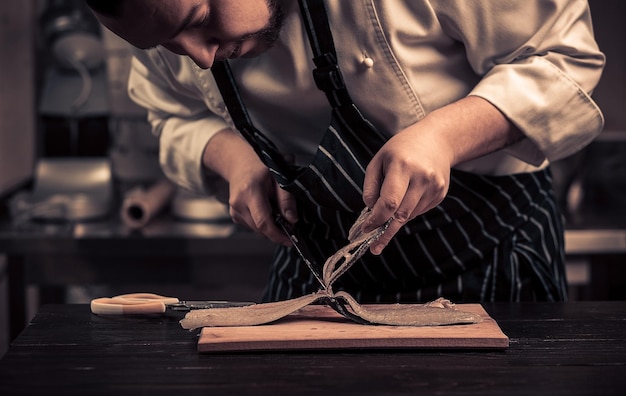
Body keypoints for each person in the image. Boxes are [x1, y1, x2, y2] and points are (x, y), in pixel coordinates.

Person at [84, 0, 605, 303]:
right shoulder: (164, 20)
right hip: (314, 269)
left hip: (488, 255)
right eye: (166, 44)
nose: (197, 56)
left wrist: (443, 136)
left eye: (199, 17)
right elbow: (168, 111)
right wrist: (231, 157)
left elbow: (563, 59)